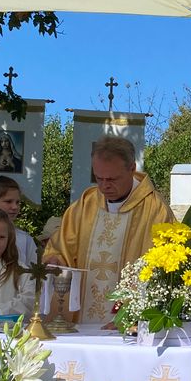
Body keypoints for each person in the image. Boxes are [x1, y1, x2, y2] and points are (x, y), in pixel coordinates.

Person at [44, 136, 175, 323]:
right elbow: (62, 248)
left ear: (132, 168)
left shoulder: (155, 210)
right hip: (81, 320)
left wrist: (133, 314)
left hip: (126, 325)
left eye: (112, 179)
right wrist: (55, 259)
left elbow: (163, 268)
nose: (104, 186)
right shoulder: (85, 205)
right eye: (98, 178)